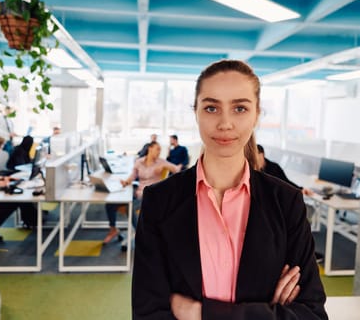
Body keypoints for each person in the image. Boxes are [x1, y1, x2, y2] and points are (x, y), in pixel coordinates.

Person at [132, 60, 327, 319]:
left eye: (239, 108)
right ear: (196, 113)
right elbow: (148, 314)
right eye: (211, 108)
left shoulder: (286, 202)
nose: (225, 123)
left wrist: (202, 314)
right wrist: (269, 312)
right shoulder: (159, 201)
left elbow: (311, 314)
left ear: (256, 114)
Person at [103, 141, 182, 244]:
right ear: (150, 148)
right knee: (110, 204)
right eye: (157, 149)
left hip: (152, 197)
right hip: (139, 194)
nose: (159, 152)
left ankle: (141, 235)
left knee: (129, 207)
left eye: (160, 150)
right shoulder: (139, 162)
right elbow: (133, 176)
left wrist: (171, 167)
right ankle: (113, 230)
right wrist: (126, 182)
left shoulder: (161, 162)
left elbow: (176, 170)